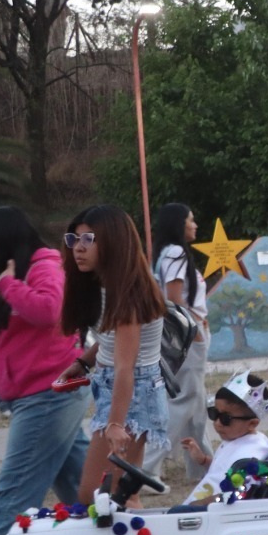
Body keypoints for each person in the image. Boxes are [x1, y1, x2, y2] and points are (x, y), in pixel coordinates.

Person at [0, 207, 90, 535]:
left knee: (14, 492)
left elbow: (50, 310)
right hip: (33, 395)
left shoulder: (44, 266)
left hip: (49, 394)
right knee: (85, 488)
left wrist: (8, 285)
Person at [57, 206, 167, 502]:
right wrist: (83, 362)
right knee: (118, 495)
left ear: (114, 242)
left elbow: (125, 367)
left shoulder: (129, 296)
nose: (78, 248)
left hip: (131, 396)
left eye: (88, 239)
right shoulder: (110, 286)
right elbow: (111, 340)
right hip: (120, 392)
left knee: (98, 496)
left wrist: (116, 424)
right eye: (74, 239)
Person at [141, 204, 209, 492]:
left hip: (181, 332)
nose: (195, 225)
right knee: (184, 401)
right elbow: (173, 297)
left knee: (196, 402)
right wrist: (192, 330)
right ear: (179, 224)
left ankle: (203, 467)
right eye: (191, 220)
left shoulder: (164, 255)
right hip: (187, 334)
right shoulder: (176, 254)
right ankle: (144, 467)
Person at [181, 371, 268, 503]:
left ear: (252, 423)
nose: (217, 423)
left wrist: (194, 506)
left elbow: (236, 496)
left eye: (226, 418)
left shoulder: (252, 454)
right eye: (214, 413)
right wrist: (204, 460)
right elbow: (224, 471)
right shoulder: (236, 440)